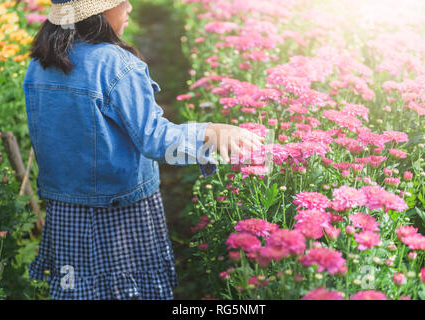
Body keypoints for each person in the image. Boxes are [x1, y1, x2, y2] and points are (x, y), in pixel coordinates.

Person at [23, 0, 262, 300]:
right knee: (128, 290)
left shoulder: (40, 64)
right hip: (120, 212)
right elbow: (154, 139)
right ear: (96, 12)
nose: (129, 7)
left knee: (75, 289)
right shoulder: (117, 65)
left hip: (65, 211)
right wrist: (210, 132)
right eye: (120, 2)